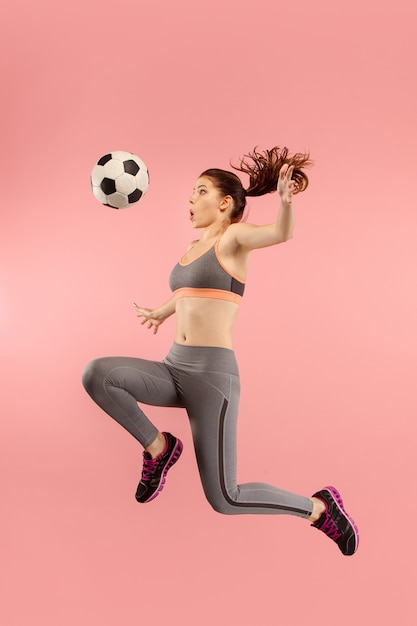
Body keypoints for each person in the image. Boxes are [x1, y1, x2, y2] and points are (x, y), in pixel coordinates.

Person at [82, 146, 359, 556]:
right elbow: (193, 292)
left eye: (200, 191)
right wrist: (162, 310)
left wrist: (285, 204)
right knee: (99, 374)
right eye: (192, 193)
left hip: (211, 378)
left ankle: (319, 509)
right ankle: (159, 449)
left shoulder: (234, 238)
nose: (190, 200)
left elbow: (282, 234)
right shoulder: (195, 246)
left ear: (225, 203)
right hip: (174, 367)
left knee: (225, 498)